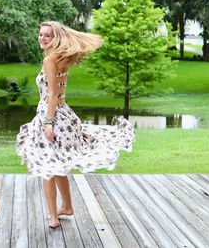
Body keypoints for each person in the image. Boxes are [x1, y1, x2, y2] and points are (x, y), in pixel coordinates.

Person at [16, 21, 135, 229]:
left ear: (56, 38)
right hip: (65, 115)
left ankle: (53, 217)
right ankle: (67, 207)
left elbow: (52, 94)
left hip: (52, 116)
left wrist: (48, 122)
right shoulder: (62, 58)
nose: (42, 39)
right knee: (58, 164)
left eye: (47, 36)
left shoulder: (49, 60)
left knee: (46, 167)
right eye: (41, 35)